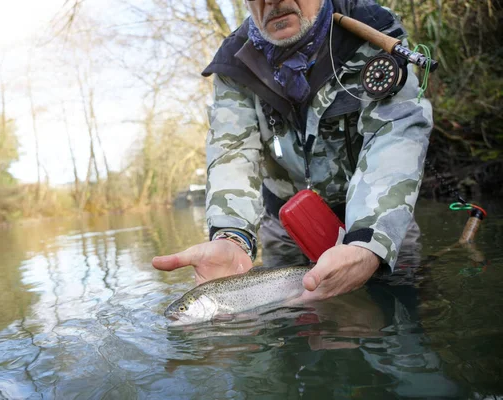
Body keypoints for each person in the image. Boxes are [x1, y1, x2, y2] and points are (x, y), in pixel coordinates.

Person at [152, 0, 433, 301]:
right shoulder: (232, 63)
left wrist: (368, 243)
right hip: (287, 229)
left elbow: (394, 133)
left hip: (376, 220)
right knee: (295, 330)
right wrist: (231, 237)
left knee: (398, 310)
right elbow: (232, 151)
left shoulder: (374, 29)